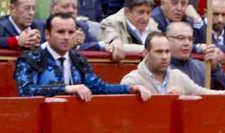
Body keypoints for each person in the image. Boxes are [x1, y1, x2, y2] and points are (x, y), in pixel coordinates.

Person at [14, 12, 152, 101]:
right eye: (60, 32)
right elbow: (26, 91)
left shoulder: (77, 59)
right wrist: (67, 89)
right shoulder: (31, 58)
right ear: (47, 35)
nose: (66, 37)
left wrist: (131, 88)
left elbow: (100, 88)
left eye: (70, 32)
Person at [120, 32, 225, 99]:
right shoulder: (132, 80)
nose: (164, 56)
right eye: (159, 52)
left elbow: (201, 92)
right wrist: (166, 99)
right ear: (145, 53)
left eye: (167, 51)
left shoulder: (177, 76)